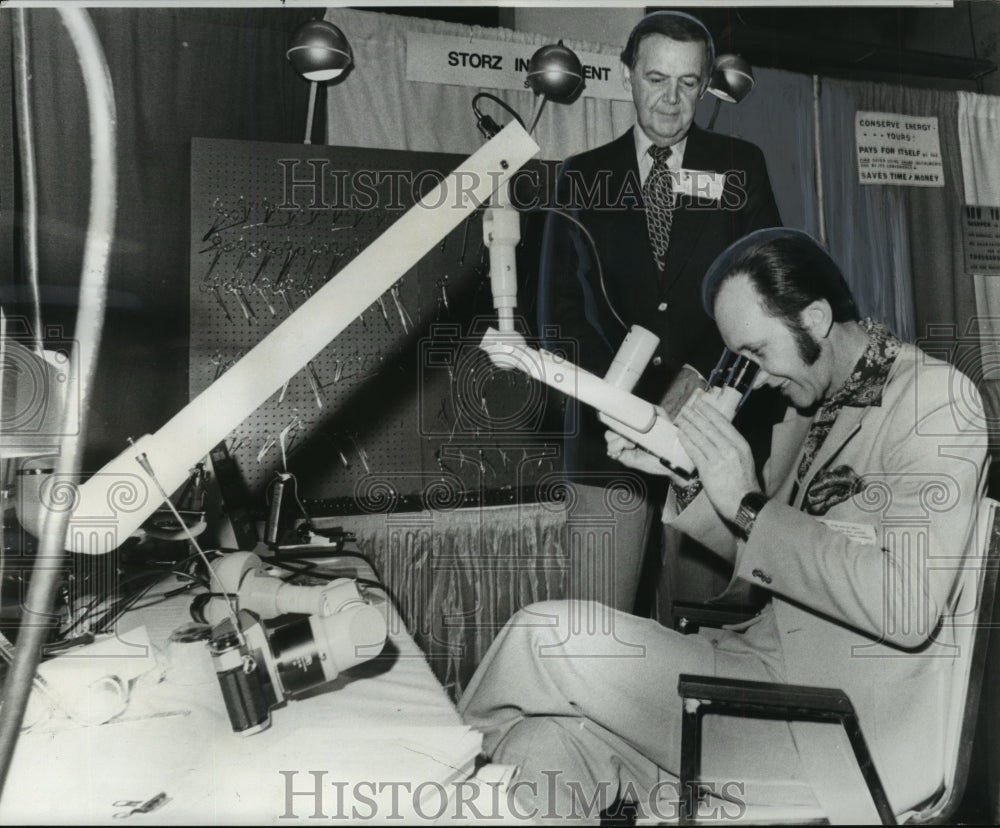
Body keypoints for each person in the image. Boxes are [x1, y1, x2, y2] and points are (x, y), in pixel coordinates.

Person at [461, 228, 989, 823]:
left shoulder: (935, 401)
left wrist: (747, 500)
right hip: (759, 679)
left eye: (759, 353)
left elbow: (906, 604)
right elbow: (762, 559)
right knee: (538, 750)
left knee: (544, 635)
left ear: (814, 318)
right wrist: (686, 475)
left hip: (837, 730)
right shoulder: (807, 407)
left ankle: (428, 767)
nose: (756, 378)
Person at [536, 10, 783, 613]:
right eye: (655, 79)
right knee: (597, 625)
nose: (671, 101)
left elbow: (766, 302)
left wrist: (691, 396)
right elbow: (559, 317)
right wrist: (625, 407)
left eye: (689, 83)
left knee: (704, 633)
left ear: (705, 83)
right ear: (627, 76)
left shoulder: (739, 168)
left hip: (710, 436)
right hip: (604, 439)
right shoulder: (580, 177)